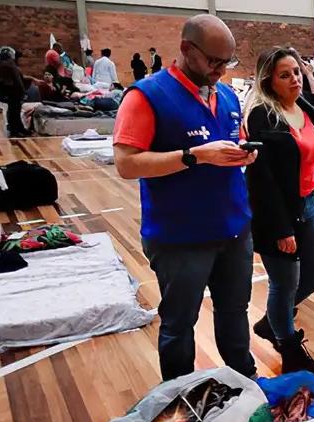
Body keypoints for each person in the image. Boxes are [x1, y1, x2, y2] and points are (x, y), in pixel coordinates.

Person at [112, 14, 259, 381]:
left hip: (233, 229)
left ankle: (245, 382)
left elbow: (232, 141)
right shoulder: (147, 95)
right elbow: (126, 164)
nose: (221, 71)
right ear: (185, 50)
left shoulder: (226, 96)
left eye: (228, 62)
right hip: (180, 237)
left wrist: (244, 154)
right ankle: (179, 396)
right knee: (179, 324)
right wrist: (194, 155)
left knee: (234, 313)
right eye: (213, 61)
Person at [242, 47, 314, 377]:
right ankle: (290, 351)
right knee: (284, 283)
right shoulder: (263, 116)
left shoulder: (301, 107)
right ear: (269, 81)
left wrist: (308, 78)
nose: (294, 79)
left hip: (308, 203)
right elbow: (262, 181)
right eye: (285, 75)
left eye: (296, 72)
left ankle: (273, 322)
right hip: (276, 213)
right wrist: (282, 229)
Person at [0, 47, 30, 138]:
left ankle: (19, 128)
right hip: (12, 92)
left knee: (16, 111)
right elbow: (8, 80)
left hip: (15, 92)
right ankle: (14, 130)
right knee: (13, 112)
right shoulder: (5, 65)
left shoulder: (6, 64)